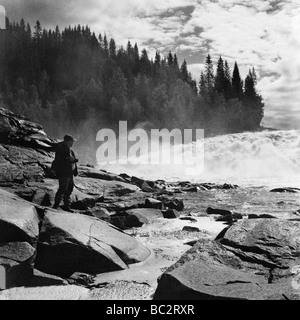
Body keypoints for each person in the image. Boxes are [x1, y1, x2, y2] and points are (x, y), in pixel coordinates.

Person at [52, 135, 79, 212]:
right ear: (67, 141)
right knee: (62, 189)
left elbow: (72, 160)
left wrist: (75, 170)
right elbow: (60, 160)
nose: (72, 143)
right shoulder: (61, 149)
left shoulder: (70, 151)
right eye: (71, 141)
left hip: (69, 173)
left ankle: (66, 206)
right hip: (64, 172)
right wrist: (71, 160)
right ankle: (56, 206)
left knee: (69, 189)